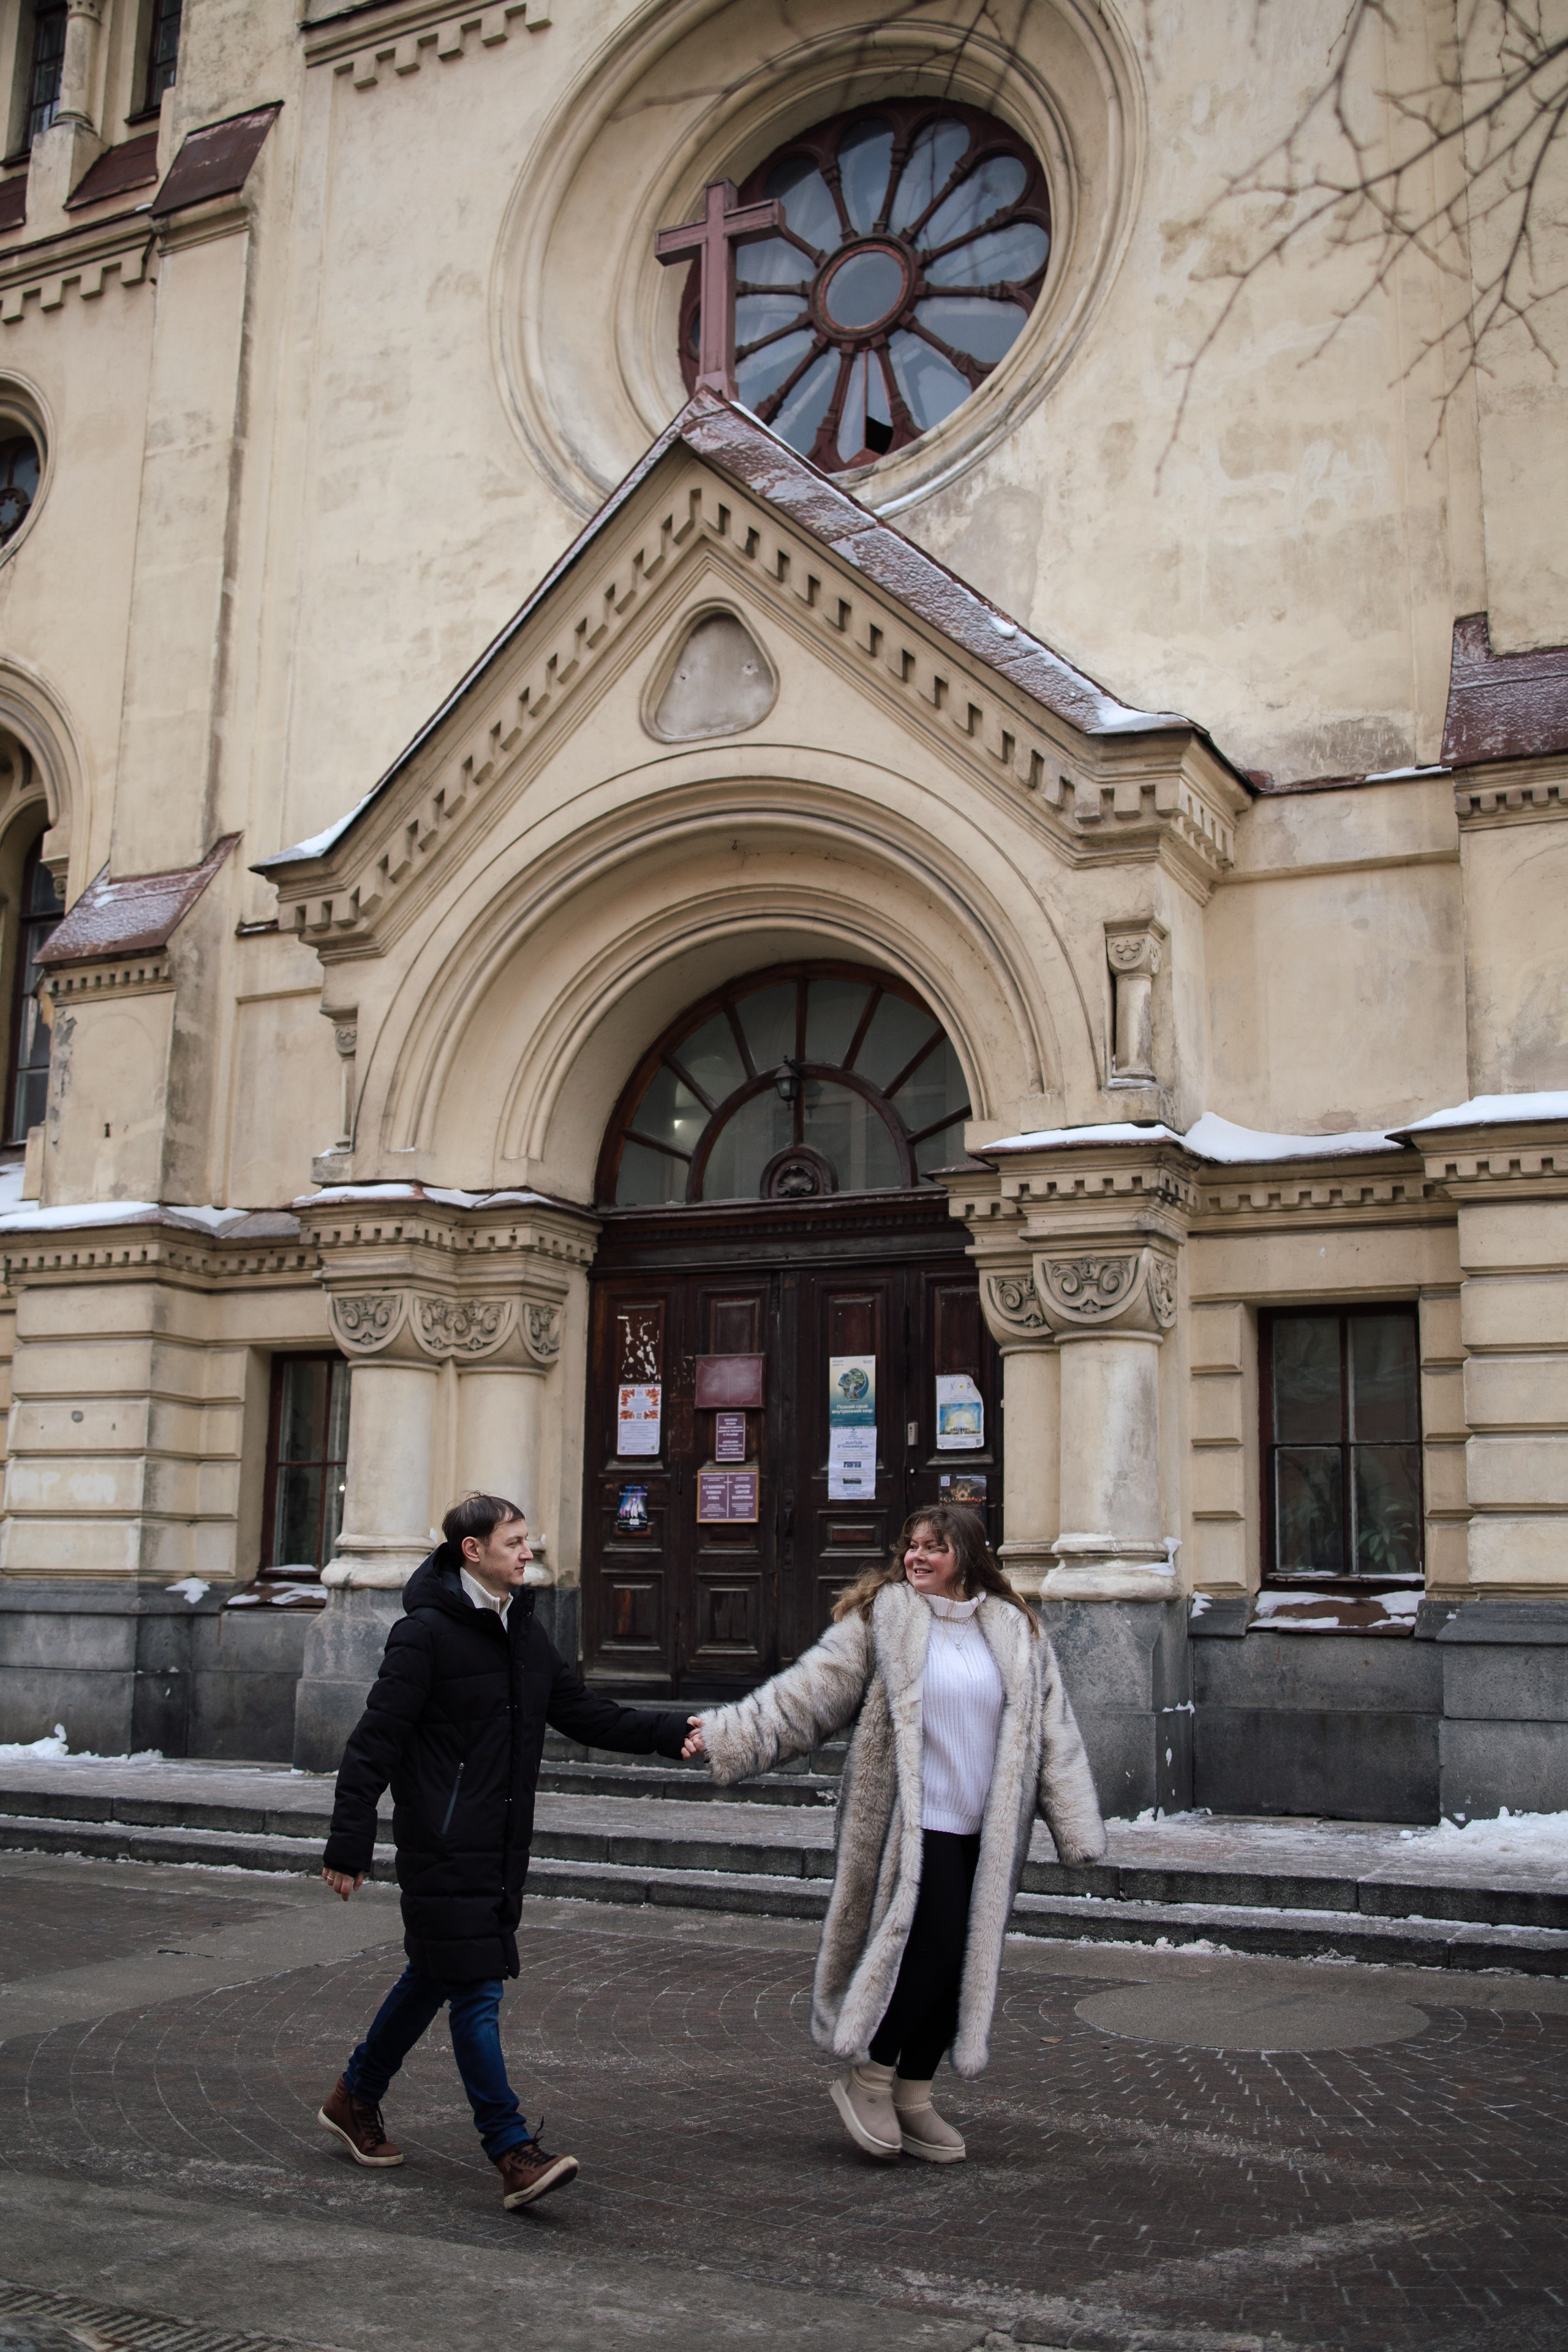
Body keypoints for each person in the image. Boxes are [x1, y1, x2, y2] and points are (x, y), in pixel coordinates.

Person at [682, 1504, 1104, 2163]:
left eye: (933, 1548)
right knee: (930, 1953)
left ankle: (913, 2095)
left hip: (984, 1829)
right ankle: (870, 2077)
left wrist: (1075, 1826)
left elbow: (1056, 1734)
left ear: (967, 1555)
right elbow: (806, 1697)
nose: (916, 1558)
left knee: (959, 1966)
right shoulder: (884, 1621)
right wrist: (728, 1736)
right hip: (914, 1823)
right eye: (911, 1547)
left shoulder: (1014, 1629)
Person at [317, 1491, 689, 2209]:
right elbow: (373, 1744)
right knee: (476, 1991)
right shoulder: (423, 1635)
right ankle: (510, 2147)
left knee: (434, 1975)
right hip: (444, 1842)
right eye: (514, 1541)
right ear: (473, 1552)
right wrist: (350, 1839)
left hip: (498, 1843)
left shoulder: (524, 1630)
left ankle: (353, 2097)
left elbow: (583, 1714)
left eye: (527, 1539)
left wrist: (668, 1733)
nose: (528, 1551)